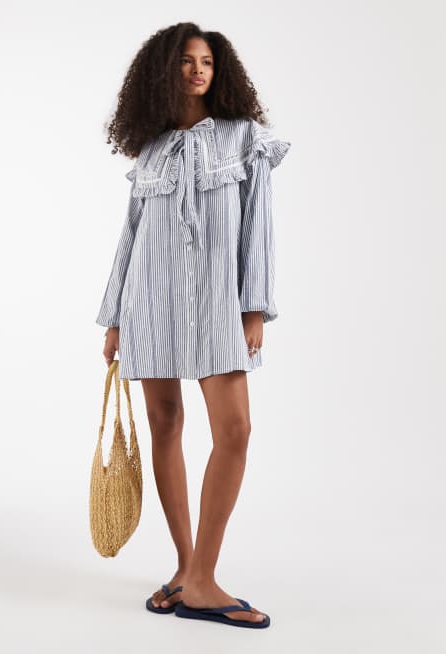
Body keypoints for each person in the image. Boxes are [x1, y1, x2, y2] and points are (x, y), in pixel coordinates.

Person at [95, 22, 291, 629]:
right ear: (165, 70)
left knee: (235, 429)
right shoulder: (151, 149)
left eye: (206, 61)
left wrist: (253, 307)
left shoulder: (244, 138)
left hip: (217, 306)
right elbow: (130, 236)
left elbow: (258, 224)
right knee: (165, 425)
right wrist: (114, 318)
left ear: (218, 69)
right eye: (186, 61)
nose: (198, 70)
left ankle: (204, 577)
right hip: (149, 305)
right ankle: (186, 570)